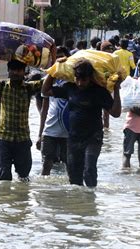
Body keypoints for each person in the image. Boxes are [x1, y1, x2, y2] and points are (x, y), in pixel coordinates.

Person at [0, 47, 54, 182]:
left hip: (22, 140)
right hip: (4, 139)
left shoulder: (29, 88)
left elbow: (48, 81)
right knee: (4, 178)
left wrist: (55, 62)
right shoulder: (1, 86)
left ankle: (20, 201)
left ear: (24, 72)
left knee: (24, 177)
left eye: (19, 70)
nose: (15, 73)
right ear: (8, 71)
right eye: (12, 70)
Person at [42, 59, 122, 187]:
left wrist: (117, 90)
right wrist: (53, 70)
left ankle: (91, 201)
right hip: (73, 139)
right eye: (77, 79)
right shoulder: (70, 88)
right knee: (74, 180)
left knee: (89, 169)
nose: (80, 83)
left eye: (83, 80)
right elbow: (45, 91)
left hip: (93, 137)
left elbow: (116, 113)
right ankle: (78, 205)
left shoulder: (99, 91)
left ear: (90, 78)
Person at [37, 46, 70, 175]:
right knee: (46, 166)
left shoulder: (74, 80)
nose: (59, 60)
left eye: (63, 57)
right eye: (57, 58)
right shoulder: (49, 81)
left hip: (69, 132)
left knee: (70, 166)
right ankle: (45, 194)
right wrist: (40, 134)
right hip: (50, 130)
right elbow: (44, 109)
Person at [100, 40, 116, 128]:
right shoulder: (98, 60)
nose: (110, 51)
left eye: (111, 49)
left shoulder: (112, 61)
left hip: (108, 89)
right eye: (108, 49)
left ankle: (106, 130)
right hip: (98, 88)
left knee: (107, 114)